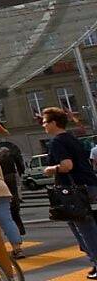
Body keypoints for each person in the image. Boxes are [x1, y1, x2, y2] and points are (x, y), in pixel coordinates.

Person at [42, 107, 97, 279]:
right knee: (83, 225)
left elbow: (67, 166)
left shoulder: (57, 142)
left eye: (45, 122)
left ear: (53, 123)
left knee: (84, 227)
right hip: (88, 184)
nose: (43, 125)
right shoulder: (72, 138)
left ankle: (96, 260)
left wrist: (50, 169)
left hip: (74, 189)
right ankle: (94, 261)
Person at [0, 147, 26, 236]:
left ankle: (13, 231)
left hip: (5, 180)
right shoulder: (11, 159)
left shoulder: (0, 161)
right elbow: (19, 167)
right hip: (12, 177)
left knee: (10, 208)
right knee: (14, 203)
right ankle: (20, 229)